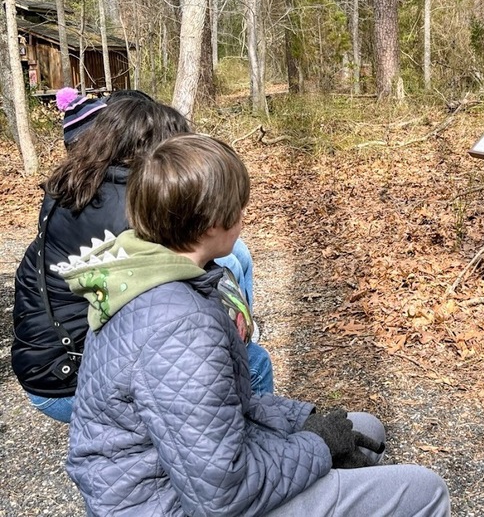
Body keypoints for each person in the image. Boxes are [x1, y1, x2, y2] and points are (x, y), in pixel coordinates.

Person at [56, 134, 451, 516]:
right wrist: (318, 445)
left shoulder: (151, 278)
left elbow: (224, 410)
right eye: (239, 207)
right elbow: (221, 495)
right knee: (425, 490)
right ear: (212, 223)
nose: (244, 218)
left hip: (179, 477)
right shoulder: (181, 325)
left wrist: (302, 419)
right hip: (170, 502)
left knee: (365, 429)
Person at [11, 95, 272, 423]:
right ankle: (254, 432)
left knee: (236, 254)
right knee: (254, 362)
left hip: (42, 361)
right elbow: (180, 290)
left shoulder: (76, 182)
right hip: (71, 378)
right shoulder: (132, 209)